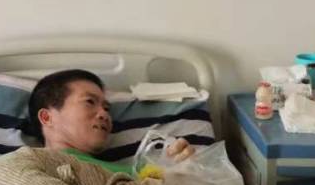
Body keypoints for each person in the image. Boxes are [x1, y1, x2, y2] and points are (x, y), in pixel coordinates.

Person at [26, 69, 194, 174]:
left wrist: (176, 165)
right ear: (47, 117)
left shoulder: (134, 172)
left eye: (106, 108)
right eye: (89, 102)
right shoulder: (29, 166)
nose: (104, 114)